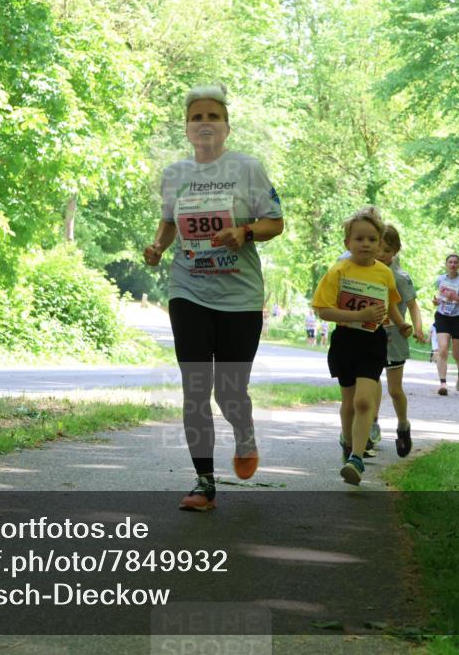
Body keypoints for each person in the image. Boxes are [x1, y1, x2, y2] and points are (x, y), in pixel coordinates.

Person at [143, 83, 284, 511]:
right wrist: (157, 247)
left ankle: (244, 433)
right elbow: (169, 222)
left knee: (229, 392)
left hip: (239, 296)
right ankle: (204, 482)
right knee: (195, 388)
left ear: (226, 127)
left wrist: (242, 232)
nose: (205, 123)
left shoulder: (248, 169)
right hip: (188, 290)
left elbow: (274, 222)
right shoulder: (174, 175)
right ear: (186, 129)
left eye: (213, 117)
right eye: (197, 117)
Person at [312, 206, 411, 486]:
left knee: (364, 400)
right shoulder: (339, 271)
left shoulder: (384, 273)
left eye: (371, 239)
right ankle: (347, 440)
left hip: (373, 341)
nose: (365, 244)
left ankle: (356, 456)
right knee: (348, 404)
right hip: (345, 340)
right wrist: (358, 316)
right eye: (359, 239)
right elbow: (323, 310)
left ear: (380, 243)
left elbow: (389, 303)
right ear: (347, 243)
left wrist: (401, 323)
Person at [369, 225, 424, 458]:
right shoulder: (366, 272)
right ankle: (371, 425)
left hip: (395, 339)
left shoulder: (400, 277)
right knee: (370, 383)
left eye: (387, 250)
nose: (381, 255)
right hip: (370, 336)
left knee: (394, 389)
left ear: (396, 250)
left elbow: (412, 305)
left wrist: (417, 328)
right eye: (378, 249)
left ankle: (403, 425)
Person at [431, 254, 459, 395]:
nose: (452, 264)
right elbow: (439, 297)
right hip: (443, 316)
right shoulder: (440, 279)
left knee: (457, 353)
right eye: (450, 262)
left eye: (455, 262)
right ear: (446, 264)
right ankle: (443, 384)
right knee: (442, 349)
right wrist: (436, 301)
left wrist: (457, 298)